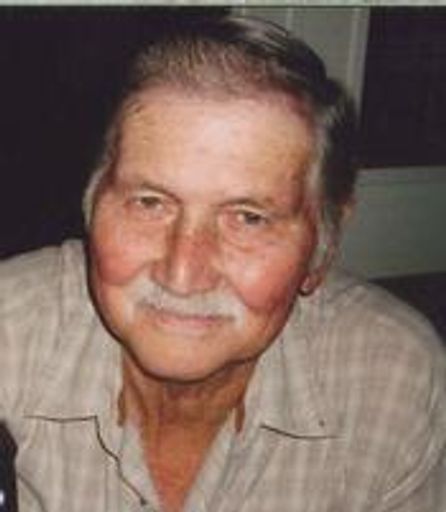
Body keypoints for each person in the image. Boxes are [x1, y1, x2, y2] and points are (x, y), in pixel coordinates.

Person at [1, 13, 445, 512]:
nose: (183, 274)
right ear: (91, 206)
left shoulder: (391, 377)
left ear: (324, 244)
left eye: (249, 218)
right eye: (149, 202)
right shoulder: (10, 335)